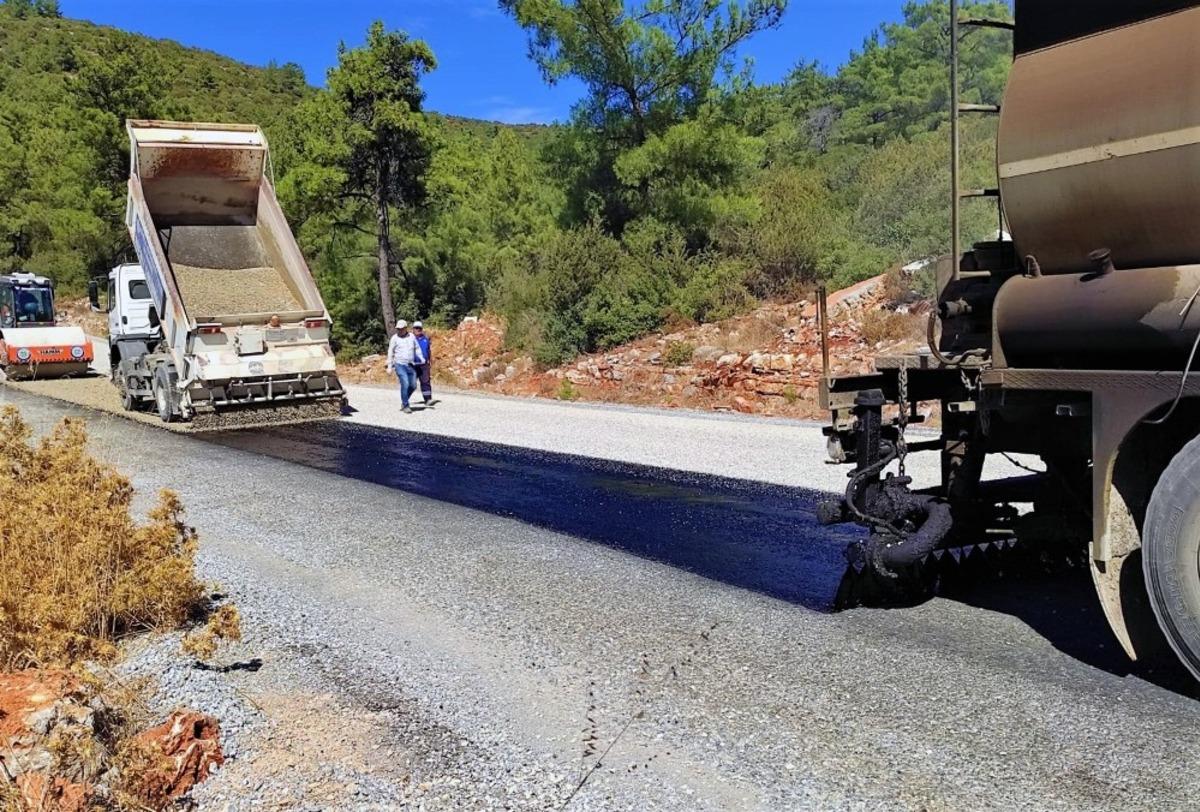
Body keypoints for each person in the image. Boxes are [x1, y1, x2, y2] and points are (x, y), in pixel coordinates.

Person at [387, 319, 425, 413]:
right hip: (399, 365)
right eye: (398, 329)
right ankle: (406, 405)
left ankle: (404, 401)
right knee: (405, 383)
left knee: (413, 385)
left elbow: (417, 348)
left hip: (410, 365)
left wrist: (421, 358)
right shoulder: (394, 338)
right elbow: (390, 352)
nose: (399, 330)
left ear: (405, 328)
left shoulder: (411, 336)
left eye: (401, 329)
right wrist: (389, 366)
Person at [412, 321, 435, 407]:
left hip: (424, 364)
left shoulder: (426, 339)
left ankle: (428, 399)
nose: (418, 330)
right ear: (413, 329)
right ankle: (405, 400)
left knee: (426, 381)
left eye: (419, 328)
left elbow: (428, 351)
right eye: (416, 328)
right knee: (411, 383)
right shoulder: (410, 339)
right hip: (413, 364)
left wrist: (430, 360)